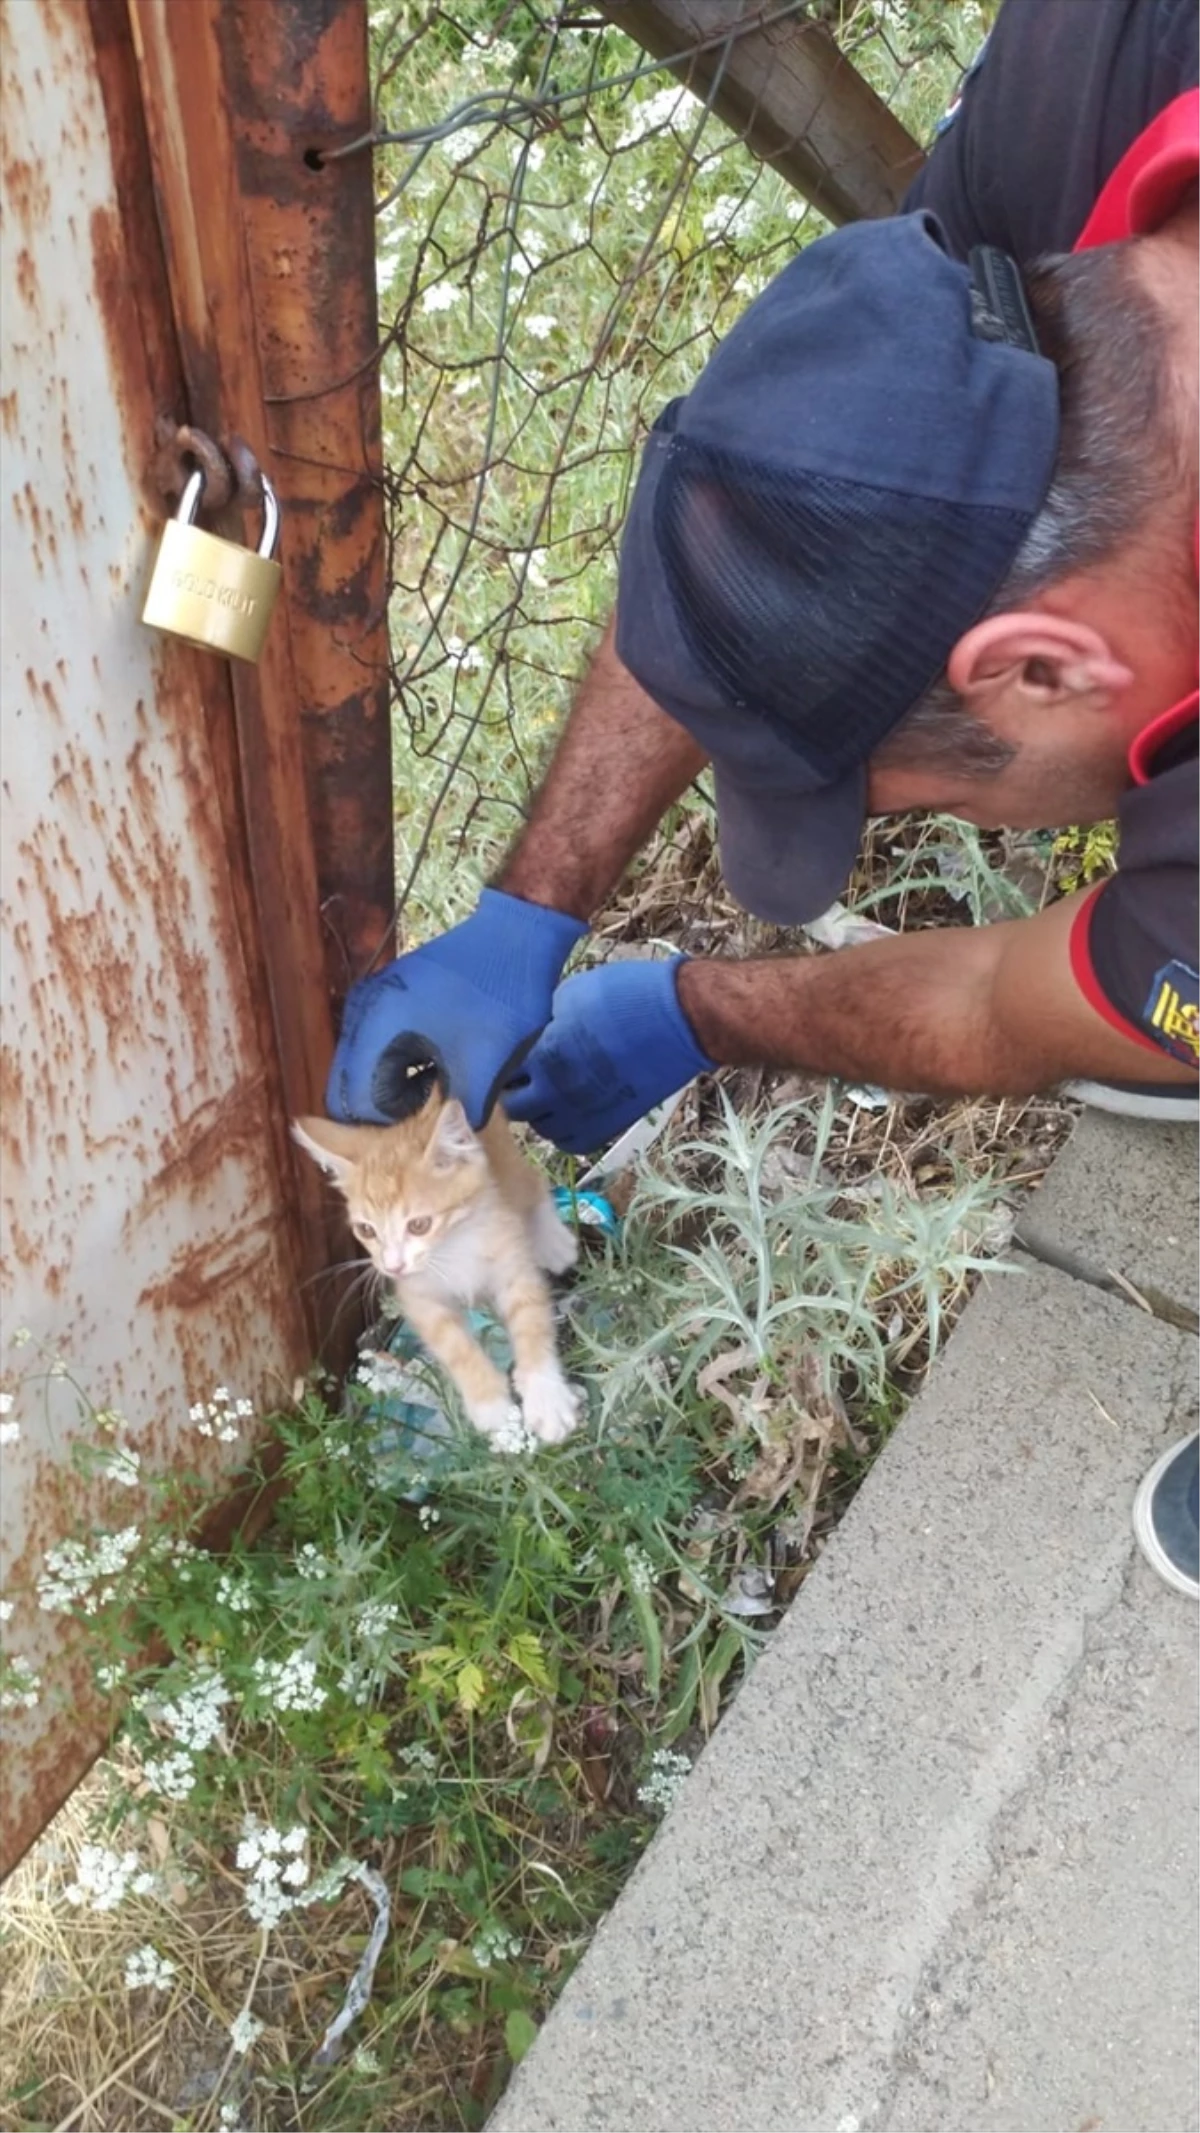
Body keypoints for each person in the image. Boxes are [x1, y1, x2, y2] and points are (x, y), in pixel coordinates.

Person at [329, 2, 1199, 1590]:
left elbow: (1041, 1000)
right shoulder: (1099, 76)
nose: (874, 819)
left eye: (870, 787)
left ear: (1039, 666)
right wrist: (531, 908)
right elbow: (794, 481)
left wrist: (696, 1014)